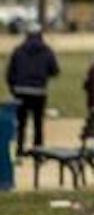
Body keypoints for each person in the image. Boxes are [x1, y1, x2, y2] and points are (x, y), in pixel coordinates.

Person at [7, 26, 60, 157]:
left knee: (21, 123)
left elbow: (9, 74)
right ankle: (38, 150)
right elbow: (55, 71)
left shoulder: (18, 50)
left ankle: (19, 151)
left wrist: (14, 88)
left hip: (21, 91)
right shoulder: (47, 51)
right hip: (39, 91)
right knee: (38, 122)